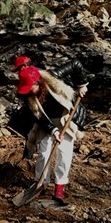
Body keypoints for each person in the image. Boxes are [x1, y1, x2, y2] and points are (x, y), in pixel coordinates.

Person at [18, 60, 89, 203]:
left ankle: (60, 186)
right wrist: (54, 131)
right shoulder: (28, 97)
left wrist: (81, 85)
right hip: (46, 122)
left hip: (66, 119)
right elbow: (38, 118)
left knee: (64, 152)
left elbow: (76, 64)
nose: (28, 91)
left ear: (38, 82)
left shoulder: (53, 76)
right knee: (44, 152)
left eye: (30, 87)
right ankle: (40, 183)